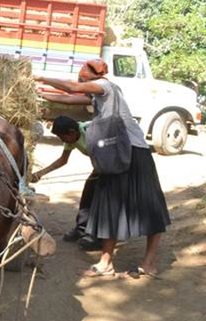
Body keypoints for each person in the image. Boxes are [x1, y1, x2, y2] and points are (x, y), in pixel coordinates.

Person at [33, 59, 171, 278]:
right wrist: (39, 94)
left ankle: (149, 263)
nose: (79, 79)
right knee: (110, 207)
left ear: (92, 77)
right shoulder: (97, 96)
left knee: (149, 206)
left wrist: (39, 77)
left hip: (135, 152)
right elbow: (68, 98)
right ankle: (106, 263)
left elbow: (72, 88)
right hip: (116, 154)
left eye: (82, 76)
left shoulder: (105, 87)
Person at [30, 116, 100, 251]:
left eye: (63, 138)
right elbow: (63, 160)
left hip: (110, 167)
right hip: (99, 168)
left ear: (72, 132)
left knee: (101, 200)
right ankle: (81, 228)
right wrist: (40, 173)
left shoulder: (91, 131)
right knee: (88, 195)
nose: (63, 141)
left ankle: (98, 237)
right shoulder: (72, 138)